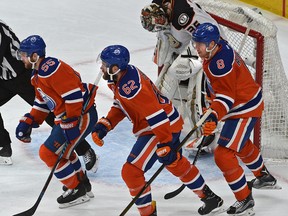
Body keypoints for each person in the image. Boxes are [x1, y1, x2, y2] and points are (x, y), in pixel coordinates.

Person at [91, 45, 223, 215]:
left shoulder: (131, 87)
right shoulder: (120, 78)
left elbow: (156, 116)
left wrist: (165, 141)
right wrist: (107, 123)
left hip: (159, 127)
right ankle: (210, 198)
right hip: (162, 124)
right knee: (174, 163)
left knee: (131, 172)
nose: (101, 67)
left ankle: (148, 213)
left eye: (104, 64)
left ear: (114, 67)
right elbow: (123, 104)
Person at [192, 22, 278, 215]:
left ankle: (245, 200)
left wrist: (213, 116)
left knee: (223, 154)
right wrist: (210, 107)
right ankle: (263, 176)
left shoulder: (218, 63)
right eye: (195, 43)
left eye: (200, 44)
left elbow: (226, 97)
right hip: (244, 103)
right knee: (240, 144)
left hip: (245, 108)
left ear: (213, 43)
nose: (196, 48)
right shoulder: (216, 51)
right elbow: (219, 89)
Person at [0, 19, 98, 171]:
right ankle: (3, 145)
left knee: (51, 113)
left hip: (23, 74)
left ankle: (84, 149)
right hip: (3, 78)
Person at [15, 35, 98, 208]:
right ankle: (82, 184)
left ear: (35, 56)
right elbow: (43, 103)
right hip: (67, 118)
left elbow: (74, 96)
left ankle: (76, 189)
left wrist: (72, 122)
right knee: (64, 154)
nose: (21, 58)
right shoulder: (37, 75)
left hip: (81, 116)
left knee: (47, 153)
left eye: (24, 54)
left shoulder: (51, 69)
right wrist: (30, 120)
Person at [140, 0, 224, 154]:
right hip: (186, 47)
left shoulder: (184, 15)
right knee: (162, 89)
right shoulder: (160, 7)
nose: (159, 23)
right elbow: (166, 33)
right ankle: (159, 123)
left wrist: (198, 58)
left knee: (195, 93)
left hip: (209, 49)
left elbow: (212, 35)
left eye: (160, 21)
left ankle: (206, 135)